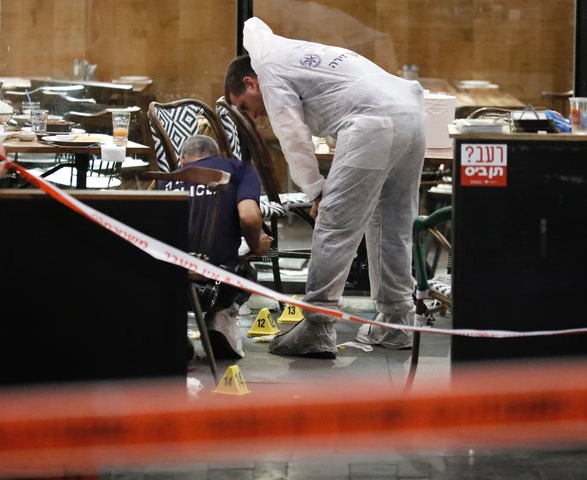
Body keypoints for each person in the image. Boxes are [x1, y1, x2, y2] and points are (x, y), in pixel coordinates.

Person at [224, 17, 427, 358]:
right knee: (392, 222)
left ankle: (316, 327)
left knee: (334, 224)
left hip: (372, 122)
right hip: (411, 114)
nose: (253, 116)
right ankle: (396, 320)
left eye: (244, 105)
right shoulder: (289, 52)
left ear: (250, 83)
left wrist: (317, 191)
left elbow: (293, 137)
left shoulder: (270, 67)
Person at [159, 135, 272, 359]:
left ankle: (173, 330)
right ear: (217, 155)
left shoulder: (167, 179)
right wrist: (255, 244)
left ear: (183, 160)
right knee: (246, 270)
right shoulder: (239, 169)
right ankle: (220, 319)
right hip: (217, 284)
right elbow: (249, 218)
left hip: (170, 285)